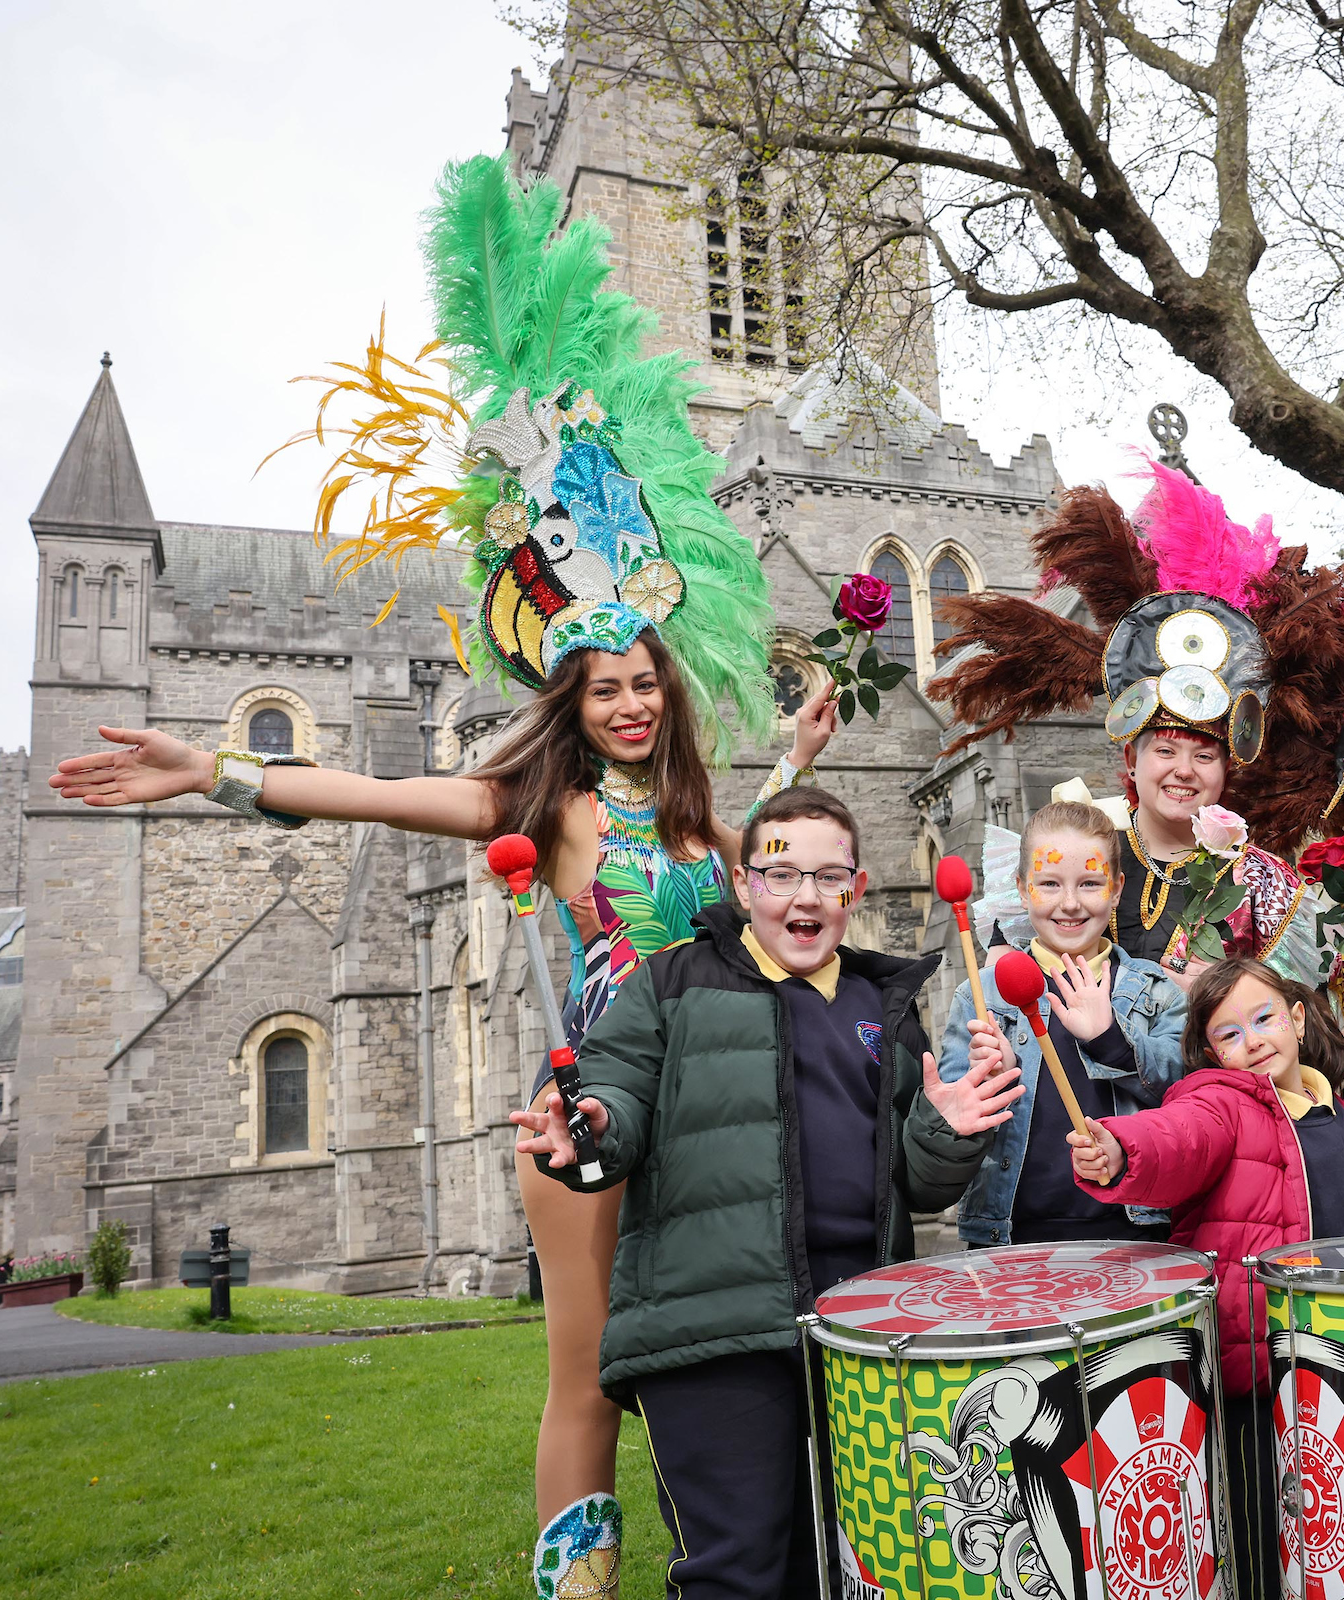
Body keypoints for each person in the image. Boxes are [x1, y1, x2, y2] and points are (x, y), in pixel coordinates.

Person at [45, 156, 804, 1600]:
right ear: (572, 700)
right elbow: (376, 791)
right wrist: (212, 772)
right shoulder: (549, 808)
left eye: (646, 683)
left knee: (721, 1370)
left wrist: (797, 768)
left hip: (718, 1120)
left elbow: (761, 902)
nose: (630, 704)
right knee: (588, 1377)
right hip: (593, 1111)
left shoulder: (699, 828)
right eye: (605, 689)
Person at [512, 786, 1023, 1599]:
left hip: (860, 1336)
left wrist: (947, 1130)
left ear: (856, 890)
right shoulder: (672, 982)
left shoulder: (885, 1006)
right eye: (782, 875)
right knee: (737, 1575)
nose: (805, 897)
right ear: (745, 884)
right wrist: (593, 1124)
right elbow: (616, 1094)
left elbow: (918, 1189)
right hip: (718, 1332)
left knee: (852, 1570)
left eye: (829, 877)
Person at [930, 464, 1344, 985]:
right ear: (1132, 760)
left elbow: (1304, 1011)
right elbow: (1008, 994)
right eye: (1165, 750)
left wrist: (1225, 991)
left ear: (1227, 769)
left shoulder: (1262, 882)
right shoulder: (1075, 859)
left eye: (1204, 755)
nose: (1184, 770)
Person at [1066, 958, 1344, 1596]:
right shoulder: (1222, 1105)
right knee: (1264, 1547)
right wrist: (1121, 1149)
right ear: (1213, 1053)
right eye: (1230, 1034)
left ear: (1298, 1019)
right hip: (1261, 1381)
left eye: (1265, 1019)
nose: (1254, 1040)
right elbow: (1176, 1137)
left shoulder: (1339, 1108)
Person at [941, 799, 1187, 1245]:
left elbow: (1186, 1104)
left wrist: (1111, 1041)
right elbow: (949, 1140)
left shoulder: (1156, 991)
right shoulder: (980, 997)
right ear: (1022, 889)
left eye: (1090, 883)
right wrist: (987, 1086)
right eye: (1049, 884)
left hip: (1134, 1232)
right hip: (1011, 1238)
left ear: (1116, 889)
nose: (1070, 904)